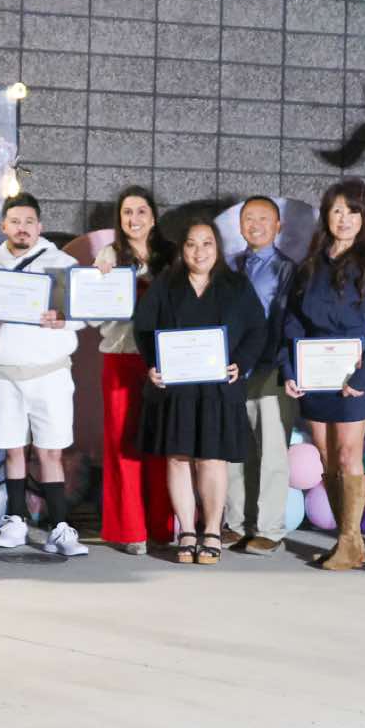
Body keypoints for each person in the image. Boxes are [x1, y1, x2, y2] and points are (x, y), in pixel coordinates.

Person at [133, 218, 269, 564]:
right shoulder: (166, 284)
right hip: (175, 389)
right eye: (191, 244)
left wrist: (241, 362)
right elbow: (144, 328)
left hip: (218, 390)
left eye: (207, 243)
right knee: (178, 458)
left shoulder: (236, 285)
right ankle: (186, 531)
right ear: (182, 249)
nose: (199, 251)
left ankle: (211, 530)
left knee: (211, 458)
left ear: (218, 248)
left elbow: (257, 329)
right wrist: (153, 365)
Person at [282, 177, 365, 572]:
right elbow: (293, 322)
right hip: (315, 375)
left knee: (349, 455)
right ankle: (348, 541)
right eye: (336, 211)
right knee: (327, 458)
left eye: (352, 211)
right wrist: (290, 369)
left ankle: (350, 541)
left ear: (364, 218)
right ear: (326, 216)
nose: (344, 219)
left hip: (355, 377)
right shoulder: (310, 266)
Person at [0, 193, 89, 557]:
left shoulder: (62, 264)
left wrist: (64, 319)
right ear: (3, 226)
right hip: (5, 373)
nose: (22, 228)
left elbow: (84, 311)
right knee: (12, 449)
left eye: (28, 222)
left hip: (49, 373)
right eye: (15, 222)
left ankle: (59, 527)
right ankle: (15, 520)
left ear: (39, 226)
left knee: (50, 451)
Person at [93, 185, 175, 554]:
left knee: (163, 442)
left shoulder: (172, 256)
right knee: (123, 444)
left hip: (164, 361)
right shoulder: (109, 256)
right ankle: (130, 530)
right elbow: (94, 313)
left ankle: (162, 526)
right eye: (127, 212)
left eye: (141, 211)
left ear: (154, 217)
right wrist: (99, 282)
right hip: (122, 358)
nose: (134, 219)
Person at [222, 197, 296, 556]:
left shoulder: (287, 269)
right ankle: (236, 524)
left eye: (264, 218)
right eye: (248, 218)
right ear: (240, 226)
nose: (256, 225)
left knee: (272, 452)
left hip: (270, 367)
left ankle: (269, 529)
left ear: (278, 226)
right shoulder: (229, 266)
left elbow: (287, 320)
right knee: (235, 450)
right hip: (230, 370)